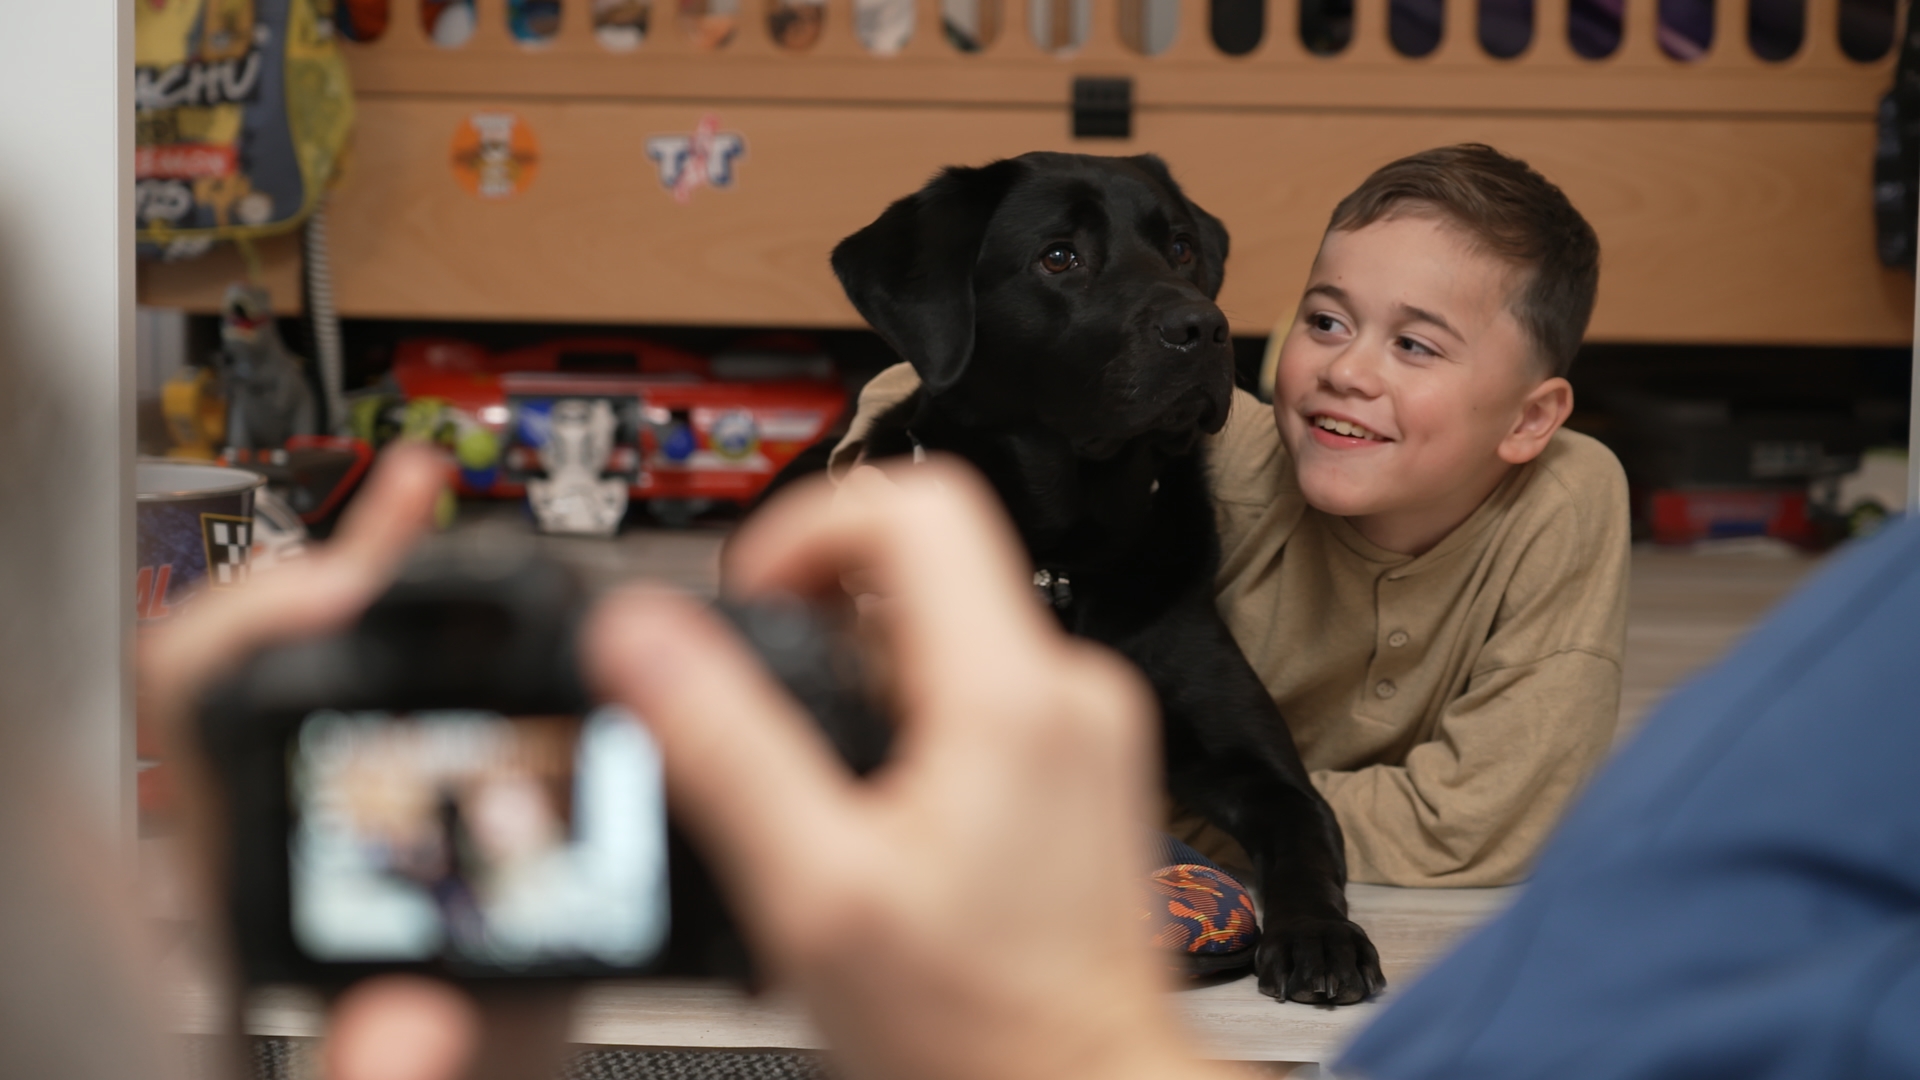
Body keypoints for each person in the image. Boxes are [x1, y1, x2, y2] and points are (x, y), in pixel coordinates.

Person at [831, 143, 1629, 889]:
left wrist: (1211, 814)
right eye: (1326, 323)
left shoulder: (1561, 499)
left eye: (1415, 345)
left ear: (1530, 421)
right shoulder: (1232, 446)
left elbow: (1471, 826)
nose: (1347, 371)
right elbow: (926, 386)